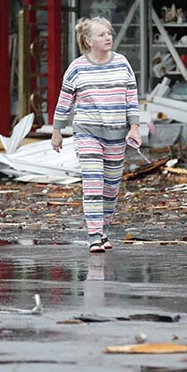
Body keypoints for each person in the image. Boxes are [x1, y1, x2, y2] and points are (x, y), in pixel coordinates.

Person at [51, 16, 140, 254]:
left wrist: (135, 126)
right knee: (93, 183)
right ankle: (93, 235)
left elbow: (131, 96)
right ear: (88, 41)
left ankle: (104, 229)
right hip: (87, 132)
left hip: (116, 133)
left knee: (111, 186)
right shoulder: (77, 68)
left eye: (109, 33)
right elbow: (64, 101)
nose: (108, 37)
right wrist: (57, 131)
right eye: (102, 35)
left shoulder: (122, 63)